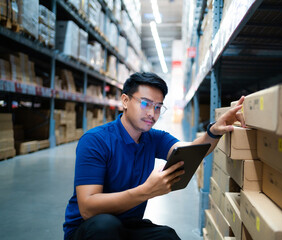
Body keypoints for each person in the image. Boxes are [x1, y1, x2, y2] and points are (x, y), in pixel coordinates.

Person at [63, 72, 245, 240]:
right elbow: (88, 208)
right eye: (145, 103)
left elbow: (191, 150)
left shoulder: (153, 138)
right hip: (89, 228)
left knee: (167, 236)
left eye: (158, 107)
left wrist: (214, 131)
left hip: (127, 224)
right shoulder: (96, 141)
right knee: (105, 227)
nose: (152, 113)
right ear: (125, 101)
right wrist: (146, 191)